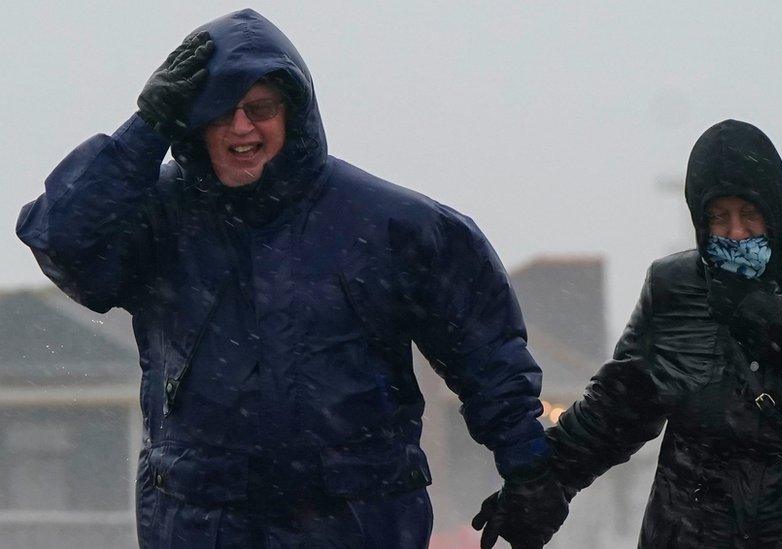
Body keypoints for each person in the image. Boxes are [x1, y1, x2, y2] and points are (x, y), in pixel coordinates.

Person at [17, 9, 569, 549]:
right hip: (200, 523)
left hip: (356, 522)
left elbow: (487, 355)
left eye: (260, 108)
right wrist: (143, 130)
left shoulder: (397, 229)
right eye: (219, 110)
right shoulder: (159, 220)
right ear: (189, 122)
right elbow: (62, 242)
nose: (241, 127)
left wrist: (528, 472)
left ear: (293, 114)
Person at [476, 119, 782, 547]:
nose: (735, 232)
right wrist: (543, 486)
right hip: (697, 531)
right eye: (718, 217)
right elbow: (618, 407)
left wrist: (765, 312)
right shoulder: (676, 287)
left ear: (777, 208)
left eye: (750, 214)